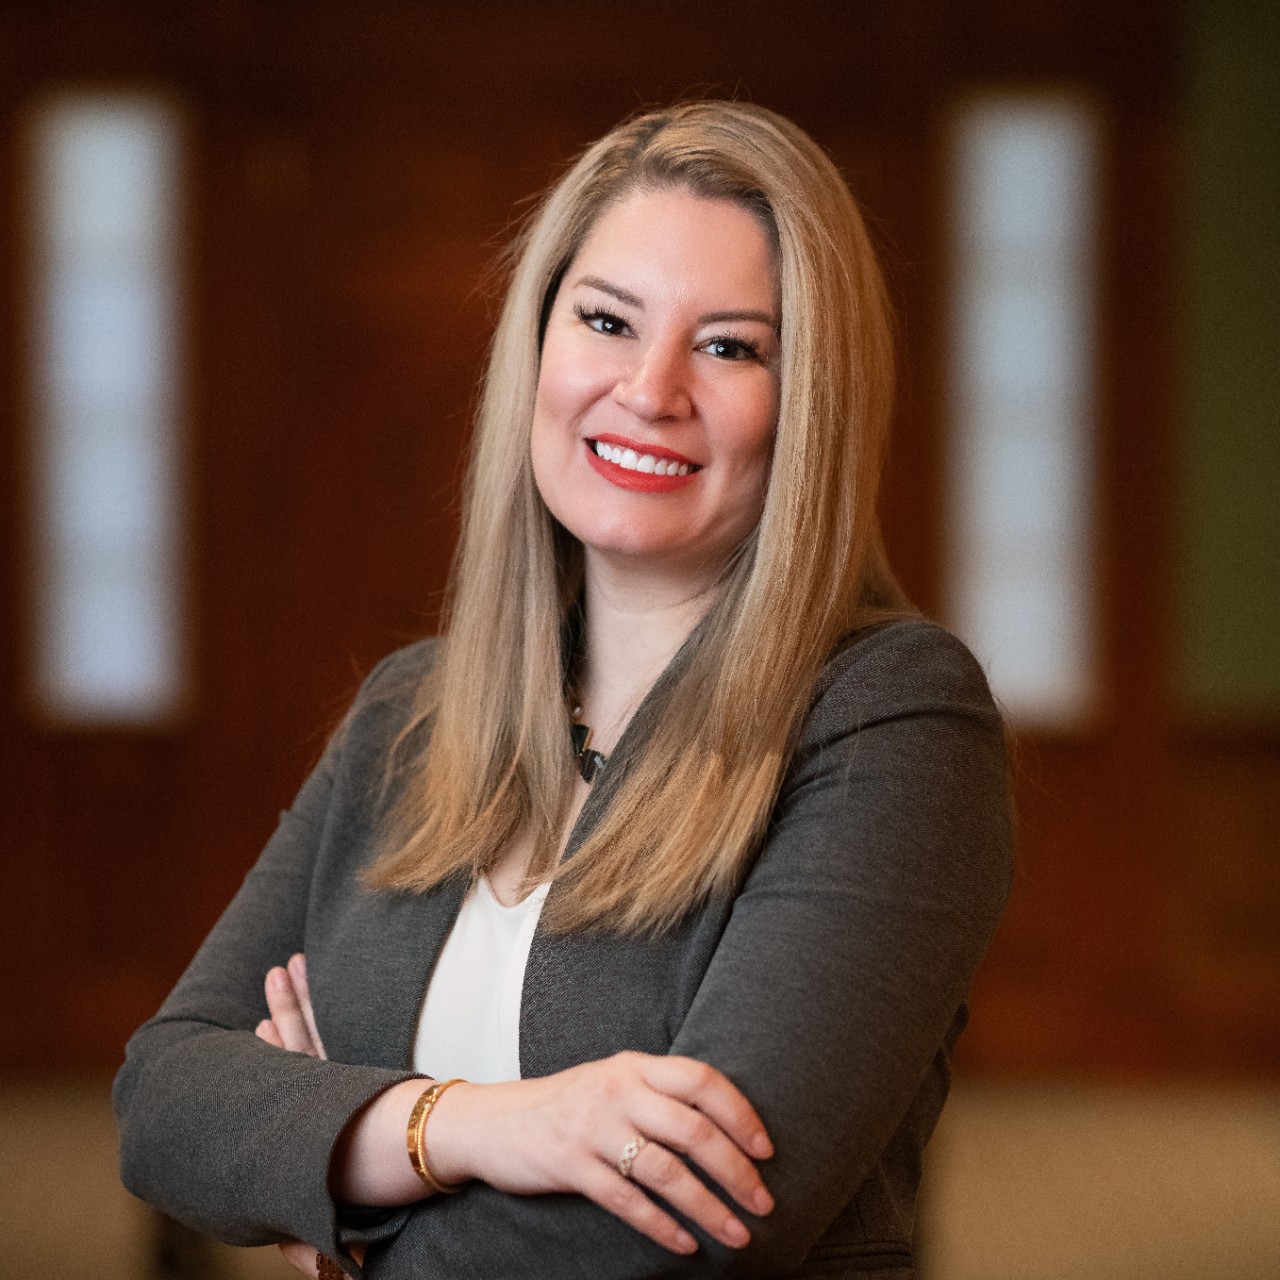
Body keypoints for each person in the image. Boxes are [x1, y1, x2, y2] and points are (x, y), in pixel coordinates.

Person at [114, 100, 1012, 1280]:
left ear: (810, 408)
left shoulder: (889, 718)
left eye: (731, 345)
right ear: (537, 348)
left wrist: (333, 1173)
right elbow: (164, 1098)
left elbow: (698, 1222)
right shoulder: (410, 713)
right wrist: (476, 1123)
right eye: (605, 320)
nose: (649, 388)